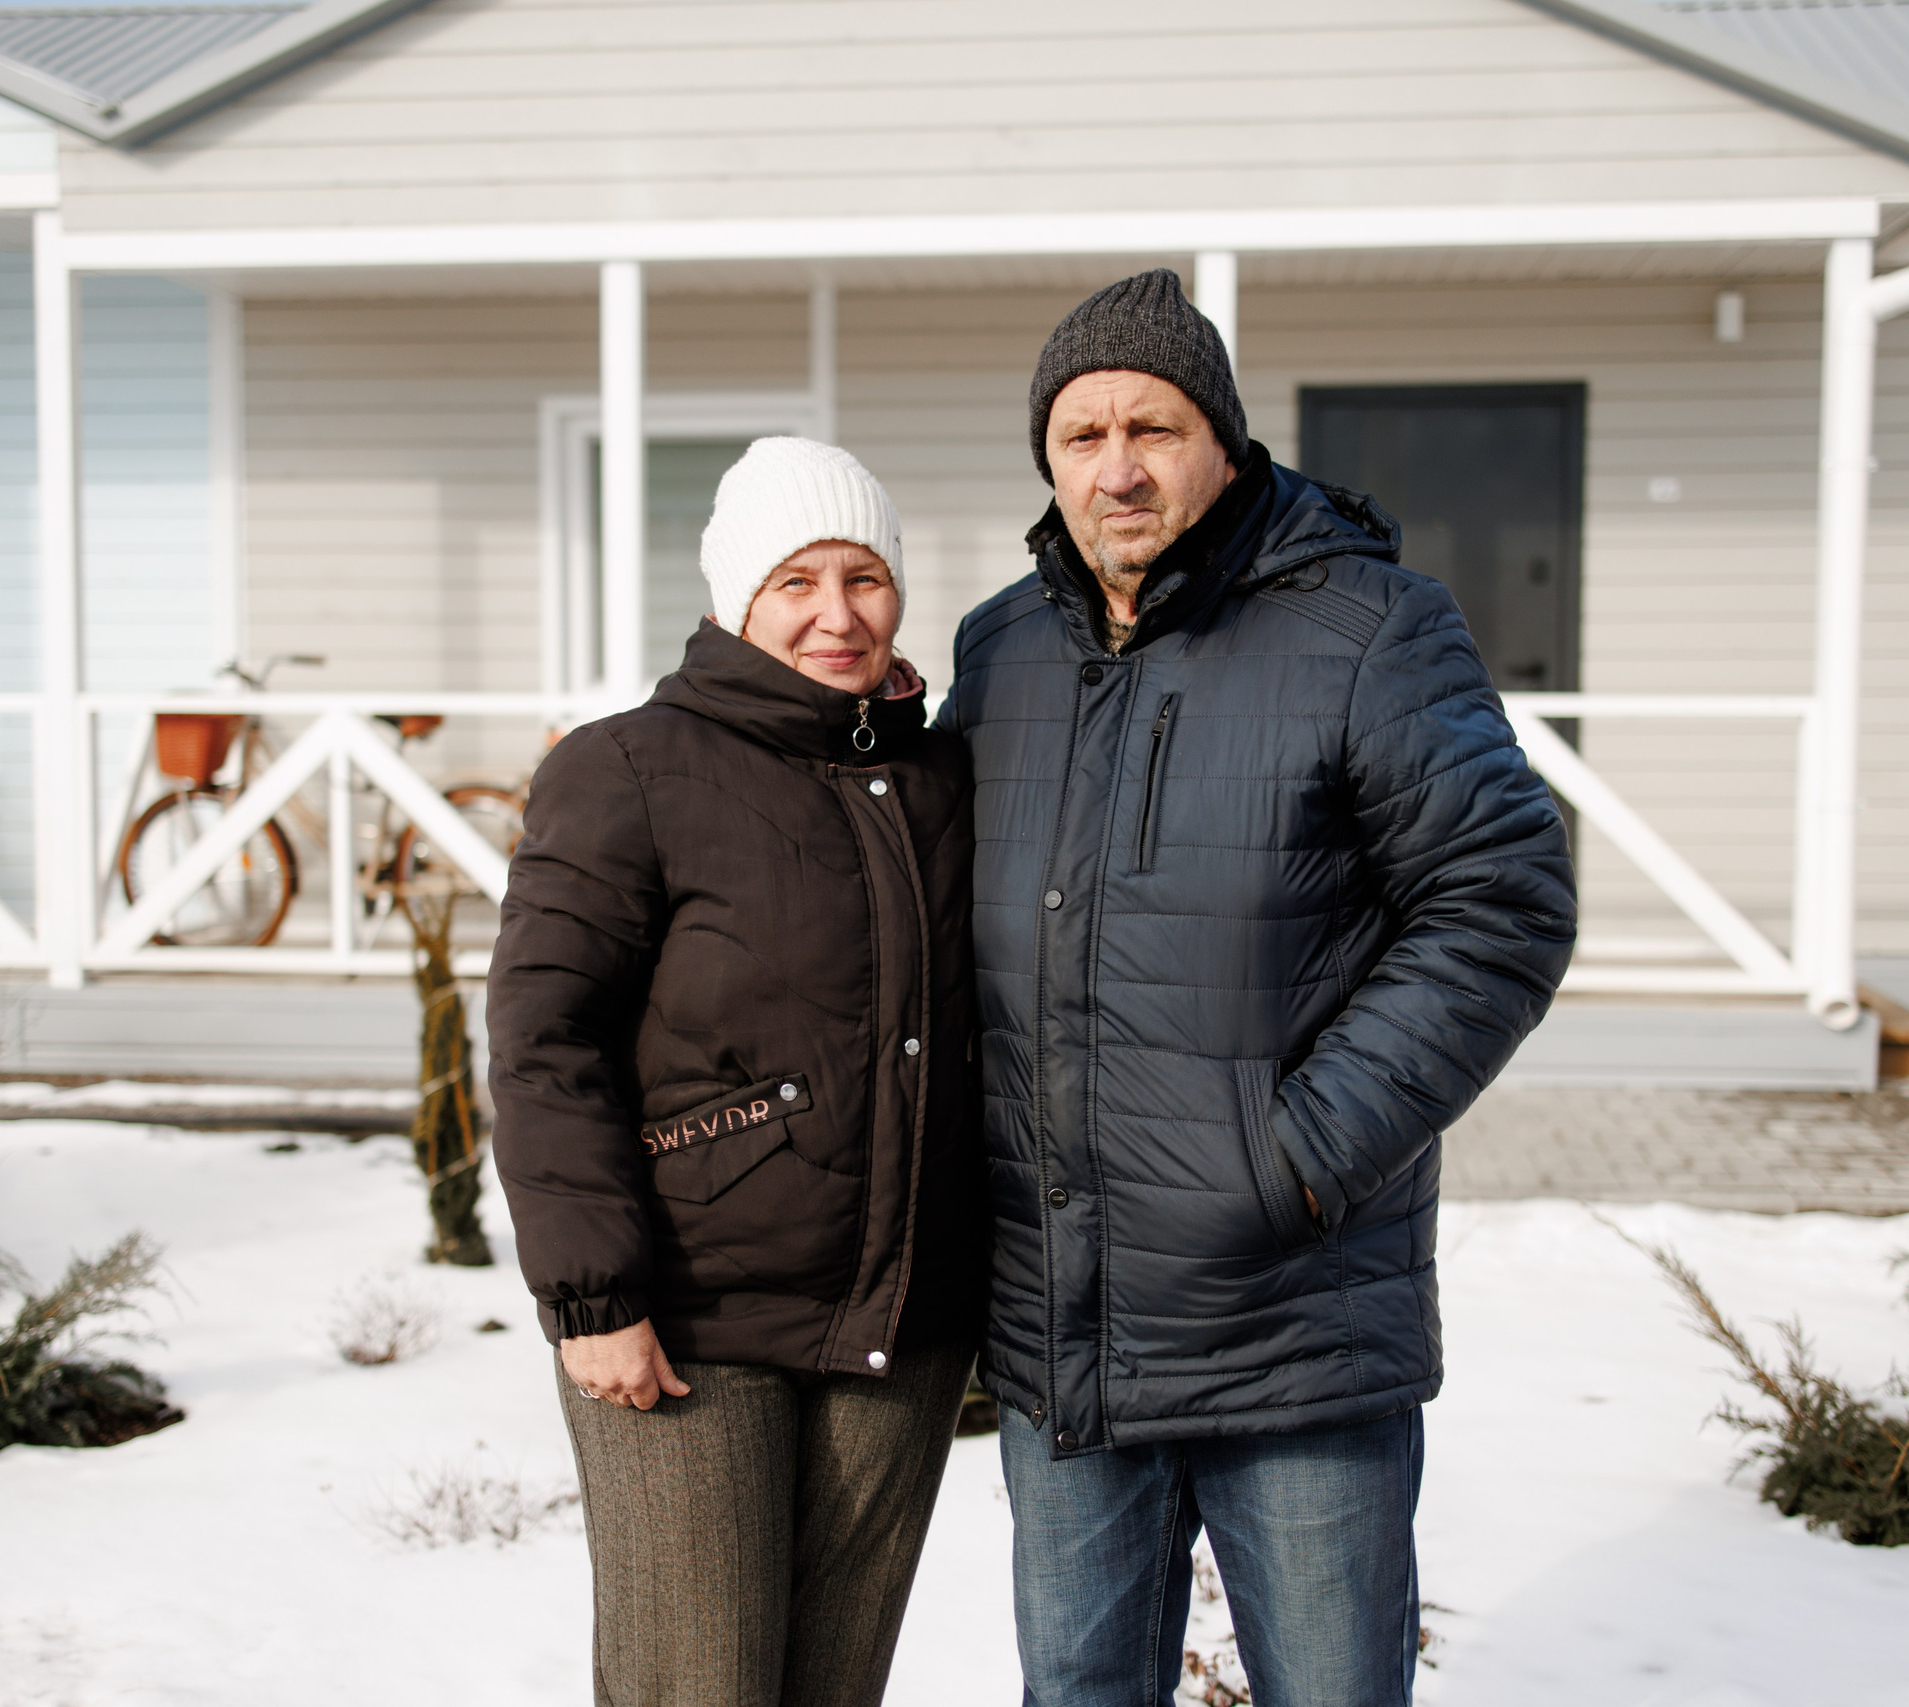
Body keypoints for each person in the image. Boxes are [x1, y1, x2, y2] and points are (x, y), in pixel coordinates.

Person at [936, 269, 1577, 1706]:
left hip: (1290, 1323)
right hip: (1068, 1325)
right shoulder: (1002, 650)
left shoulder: (1371, 629)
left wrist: (1292, 1159)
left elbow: (1501, 901)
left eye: (1151, 428)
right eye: (1081, 435)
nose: (1117, 469)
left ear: (1221, 440)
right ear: (1047, 458)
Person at [488, 437, 985, 1707]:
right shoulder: (627, 769)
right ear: (732, 604)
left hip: (899, 1326)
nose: (837, 615)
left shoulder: (942, 774)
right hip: (690, 1324)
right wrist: (592, 1296)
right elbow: (547, 1041)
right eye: (795, 582)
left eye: (864, 577)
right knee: (696, 1687)